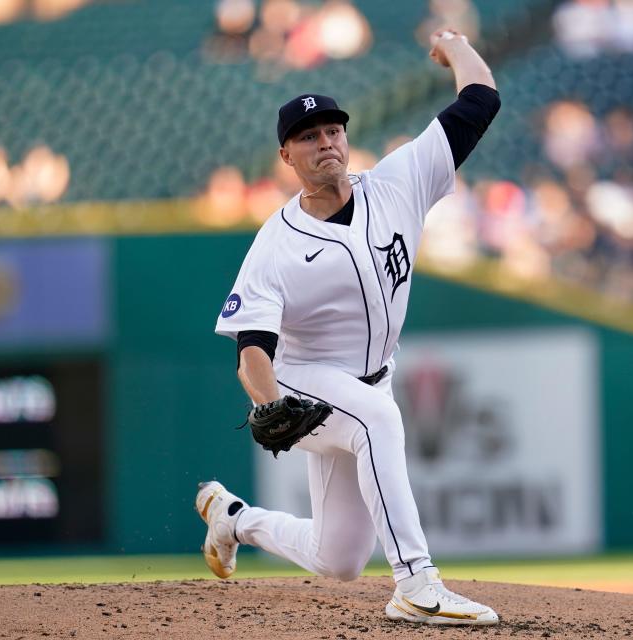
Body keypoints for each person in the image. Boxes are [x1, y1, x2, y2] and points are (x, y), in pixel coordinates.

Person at [197, 29, 501, 625]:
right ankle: (417, 584)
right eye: (307, 137)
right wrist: (269, 401)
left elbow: (479, 103)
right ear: (287, 156)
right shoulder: (276, 244)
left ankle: (233, 519)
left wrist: (457, 46)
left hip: (369, 380)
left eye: (332, 130)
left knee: (339, 559)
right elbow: (252, 349)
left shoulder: (396, 184)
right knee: (377, 419)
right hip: (305, 381)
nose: (325, 142)